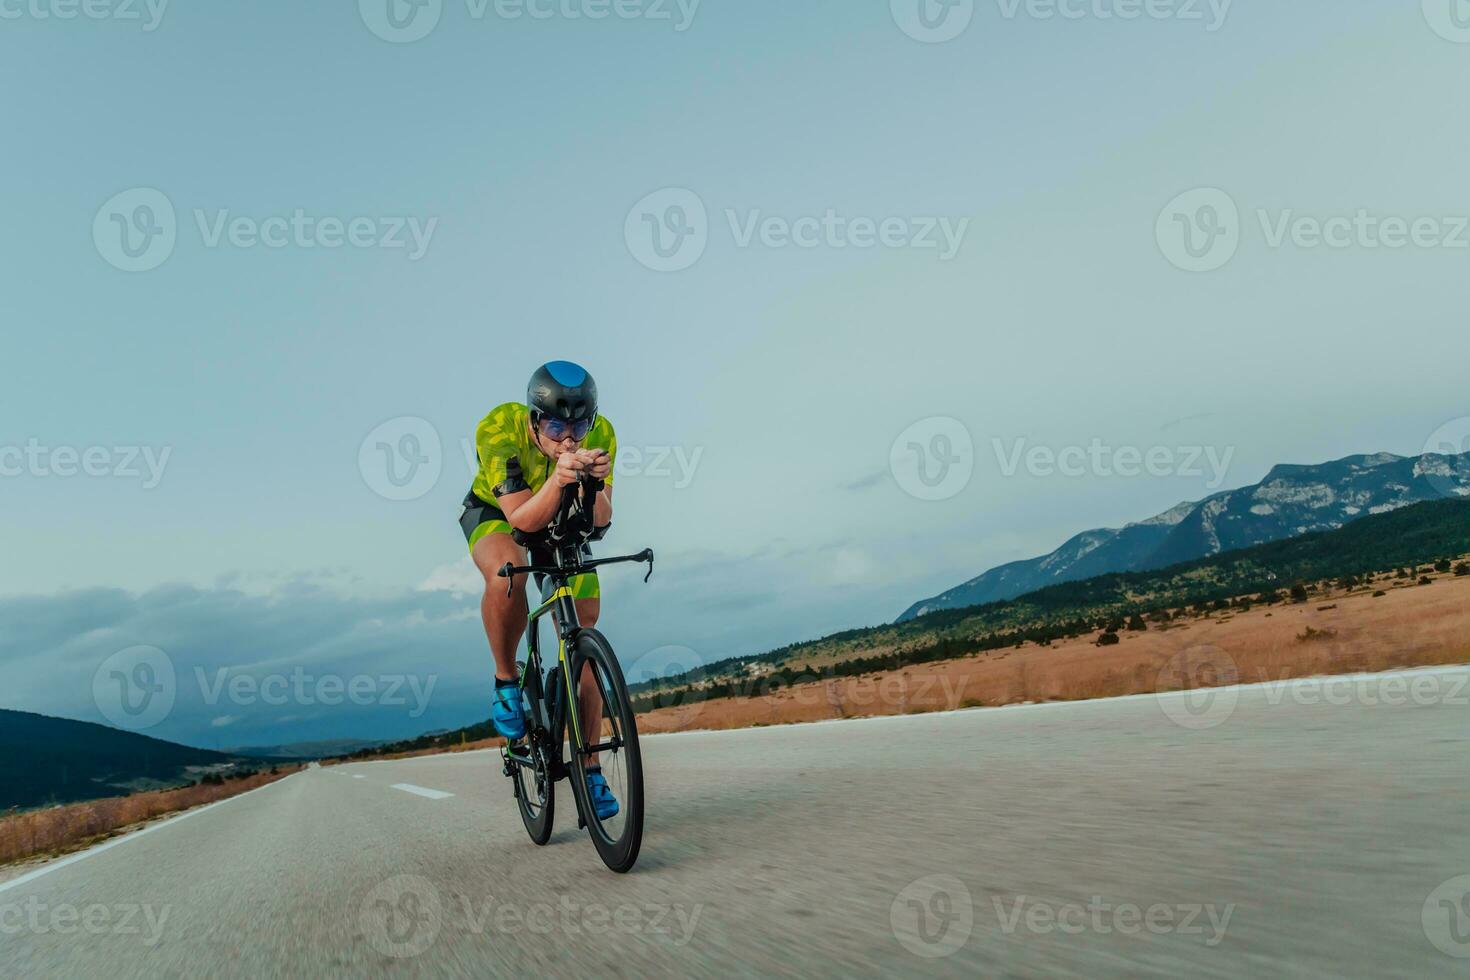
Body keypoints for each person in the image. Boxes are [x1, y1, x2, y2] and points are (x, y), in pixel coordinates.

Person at [459, 361, 618, 818]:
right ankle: (506, 679)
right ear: (533, 419)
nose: (569, 439)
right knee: (510, 571)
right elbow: (522, 520)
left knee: (584, 631)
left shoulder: (602, 432)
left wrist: (591, 484)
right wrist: (558, 477)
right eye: (554, 426)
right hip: (499, 512)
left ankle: (590, 770)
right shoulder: (498, 427)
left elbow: (603, 520)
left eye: (579, 427)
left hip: (563, 515)